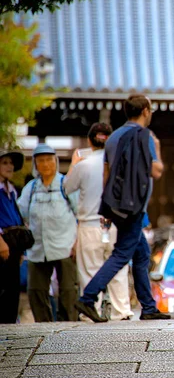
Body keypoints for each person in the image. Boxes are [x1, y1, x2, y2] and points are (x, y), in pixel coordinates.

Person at [74, 94, 170, 322]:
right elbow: (156, 171)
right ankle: (88, 298)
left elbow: (106, 173)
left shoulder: (114, 137)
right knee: (121, 254)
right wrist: (156, 147)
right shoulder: (144, 136)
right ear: (145, 111)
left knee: (142, 253)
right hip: (134, 206)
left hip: (116, 204)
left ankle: (148, 307)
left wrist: (106, 206)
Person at [63, 123, 134, 321]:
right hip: (115, 224)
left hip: (89, 224)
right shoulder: (120, 162)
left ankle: (89, 311)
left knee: (89, 270)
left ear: (89, 141)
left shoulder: (83, 165)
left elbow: (66, 188)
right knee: (118, 267)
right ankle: (122, 311)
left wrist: (73, 164)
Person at [17, 144, 79, 322]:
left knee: (68, 289)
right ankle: (44, 325)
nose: (45, 164)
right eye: (41, 160)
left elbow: (79, 213)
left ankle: (69, 326)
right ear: (35, 164)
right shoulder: (31, 188)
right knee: (35, 290)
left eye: (49, 160)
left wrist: (77, 243)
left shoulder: (65, 184)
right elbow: (21, 213)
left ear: (56, 162)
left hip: (64, 245)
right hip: (37, 247)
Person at [0, 149, 26, 323]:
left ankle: (10, 325)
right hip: (2, 242)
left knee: (13, 288)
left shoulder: (11, 190)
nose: (9, 166)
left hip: (14, 243)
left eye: (11, 163)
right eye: (4, 163)